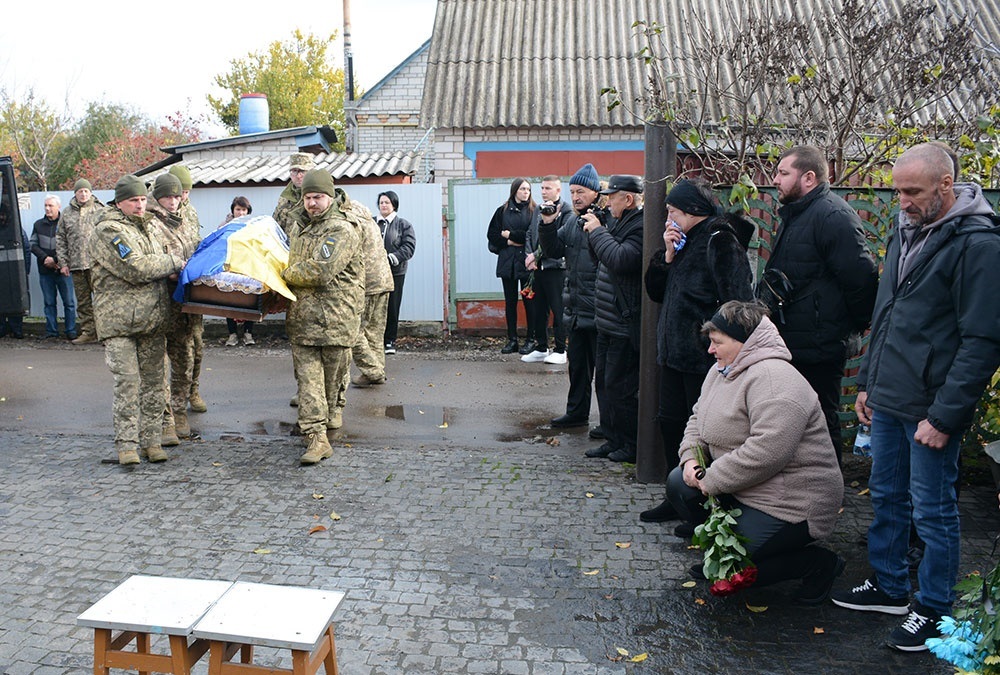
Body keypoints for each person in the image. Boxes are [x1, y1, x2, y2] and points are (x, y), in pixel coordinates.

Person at [831, 143, 1000, 651]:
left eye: (912, 191)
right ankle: (889, 586)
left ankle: (934, 609)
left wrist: (945, 417)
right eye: (897, 190)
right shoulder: (903, 233)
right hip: (890, 399)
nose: (901, 201)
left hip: (930, 408)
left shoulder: (979, 245)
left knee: (933, 511)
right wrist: (868, 385)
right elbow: (887, 317)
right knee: (886, 496)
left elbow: (983, 340)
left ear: (947, 185)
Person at [668, 300, 845, 604]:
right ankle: (726, 545)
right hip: (745, 488)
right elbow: (698, 418)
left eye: (716, 343)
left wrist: (710, 479)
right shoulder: (722, 369)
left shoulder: (776, 381)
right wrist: (690, 459)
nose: (710, 350)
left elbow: (766, 453)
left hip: (791, 502)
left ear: (743, 342)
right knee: (678, 484)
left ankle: (818, 564)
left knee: (731, 570)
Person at [639, 179, 755, 525]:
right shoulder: (684, 241)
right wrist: (668, 255)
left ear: (692, 211)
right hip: (674, 354)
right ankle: (677, 495)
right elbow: (656, 292)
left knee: (705, 434)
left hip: (704, 358)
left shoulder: (720, 240)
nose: (668, 218)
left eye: (673, 211)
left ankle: (704, 506)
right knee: (672, 423)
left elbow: (737, 301)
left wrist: (721, 347)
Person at [763, 145, 878, 461]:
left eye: (783, 173)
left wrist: (846, 327)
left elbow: (862, 278)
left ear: (809, 177)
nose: (776, 179)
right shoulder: (797, 213)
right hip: (794, 340)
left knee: (820, 417)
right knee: (792, 417)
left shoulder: (832, 215)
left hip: (820, 344)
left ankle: (829, 493)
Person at [88, 175, 185, 465]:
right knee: (128, 384)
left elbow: (165, 256)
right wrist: (173, 264)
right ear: (120, 202)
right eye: (134, 200)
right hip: (119, 324)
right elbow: (136, 267)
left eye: (143, 199)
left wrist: (171, 265)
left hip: (152, 321)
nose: (140, 205)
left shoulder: (149, 228)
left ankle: (152, 442)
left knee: (155, 385)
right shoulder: (109, 231)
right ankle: (127, 446)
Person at [282, 169, 364, 465]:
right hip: (302, 320)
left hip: (336, 320)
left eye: (318, 197)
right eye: (307, 197)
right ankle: (316, 439)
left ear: (331, 197)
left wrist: (281, 276)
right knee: (308, 384)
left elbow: (320, 270)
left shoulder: (342, 230)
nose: (312, 203)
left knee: (332, 382)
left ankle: (333, 411)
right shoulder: (298, 226)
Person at [538, 163, 605, 432]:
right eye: (573, 192)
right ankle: (576, 413)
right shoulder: (572, 221)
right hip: (576, 308)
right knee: (577, 368)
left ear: (596, 192)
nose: (575, 197)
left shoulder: (605, 220)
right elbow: (553, 249)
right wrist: (547, 224)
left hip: (600, 308)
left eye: (581, 192)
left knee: (605, 374)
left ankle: (608, 422)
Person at [585, 175, 644, 463]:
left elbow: (620, 260)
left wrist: (598, 232)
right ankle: (612, 437)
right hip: (606, 319)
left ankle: (630, 445)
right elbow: (601, 259)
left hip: (623, 320)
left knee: (621, 388)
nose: (607, 202)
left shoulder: (641, 226)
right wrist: (595, 232)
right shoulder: (618, 222)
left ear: (628, 199)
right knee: (605, 384)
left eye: (612, 196)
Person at [147, 173, 201, 446]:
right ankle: (164, 420)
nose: (172, 201)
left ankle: (179, 411)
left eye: (176, 196)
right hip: (158, 305)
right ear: (157, 197)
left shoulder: (185, 222)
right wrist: (171, 267)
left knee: (185, 361)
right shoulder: (148, 223)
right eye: (167, 196)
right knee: (157, 367)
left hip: (184, 306)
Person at [168, 164, 208, 414]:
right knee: (178, 351)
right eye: (179, 192)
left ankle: (193, 390)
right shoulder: (155, 215)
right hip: (170, 292)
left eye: (186, 193)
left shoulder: (189, 212)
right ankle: (174, 403)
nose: (182, 198)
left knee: (197, 346)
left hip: (192, 291)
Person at [522, 175, 572, 364]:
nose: (543, 192)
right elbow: (529, 233)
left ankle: (561, 349)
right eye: (542, 188)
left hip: (556, 268)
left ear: (558, 190)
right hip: (537, 269)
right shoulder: (538, 210)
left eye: (548, 188)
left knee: (559, 310)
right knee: (538, 309)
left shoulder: (566, 211)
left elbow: (557, 238)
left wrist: (535, 255)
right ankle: (541, 347)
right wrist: (529, 256)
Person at [487, 178, 536, 355]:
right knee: (510, 303)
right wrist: (508, 241)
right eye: (523, 189)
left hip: (526, 263)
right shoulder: (502, 211)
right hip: (507, 262)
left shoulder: (534, 211)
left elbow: (532, 235)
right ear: (515, 190)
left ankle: (531, 339)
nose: (526, 192)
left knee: (530, 302)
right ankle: (512, 340)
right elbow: (492, 234)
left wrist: (512, 235)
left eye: (528, 189)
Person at [57, 178, 105, 344]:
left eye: (86, 191)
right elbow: (61, 239)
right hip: (77, 266)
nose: (83, 194)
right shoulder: (67, 213)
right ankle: (88, 332)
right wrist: (63, 263)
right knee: (83, 303)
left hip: (97, 265)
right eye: (80, 191)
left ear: (90, 192)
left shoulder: (100, 210)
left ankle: (105, 333)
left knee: (102, 300)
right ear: (75, 193)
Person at [351, 203, 394, 387]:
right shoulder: (370, 220)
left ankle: (373, 371)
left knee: (352, 330)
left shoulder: (350, 222)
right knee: (375, 332)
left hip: (367, 283)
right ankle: (376, 371)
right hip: (384, 280)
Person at [30, 195, 77, 339]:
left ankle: (70, 331)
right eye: (45, 205)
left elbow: (72, 245)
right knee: (49, 302)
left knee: (69, 302)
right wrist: (45, 258)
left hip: (63, 269)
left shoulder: (66, 223)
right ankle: (51, 331)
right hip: (45, 270)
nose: (47, 208)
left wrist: (56, 260)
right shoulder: (38, 224)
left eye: (50, 205)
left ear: (58, 207)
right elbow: (32, 245)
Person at [375, 190, 416, 355]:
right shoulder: (372, 223)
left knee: (392, 306)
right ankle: (375, 340)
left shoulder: (403, 225)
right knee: (375, 307)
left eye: (387, 202)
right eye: (381, 202)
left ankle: (389, 341)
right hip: (374, 273)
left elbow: (409, 247)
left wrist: (392, 257)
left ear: (394, 205)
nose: (383, 205)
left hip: (395, 272)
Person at [220, 196, 256, 346]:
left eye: (244, 210)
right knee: (230, 298)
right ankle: (232, 334)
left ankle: (248, 333)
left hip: (248, 266)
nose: (241, 213)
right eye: (238, 209)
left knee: (249, 297)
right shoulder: (224, 226)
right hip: (230, 266)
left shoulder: (254, 225)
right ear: (233, 211)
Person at [0, 225, 30, 339]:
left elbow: (26, 249)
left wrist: (24, 271)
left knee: (16, 300)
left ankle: (16, 329)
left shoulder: (18, 230)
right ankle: (2, 328)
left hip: (14, 272)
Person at [273, 152, 315, 234]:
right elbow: (276, 227)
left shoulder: (320, 197)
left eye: (303, 171)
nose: (299, 176)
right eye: (295, 171)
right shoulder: (284, 198)